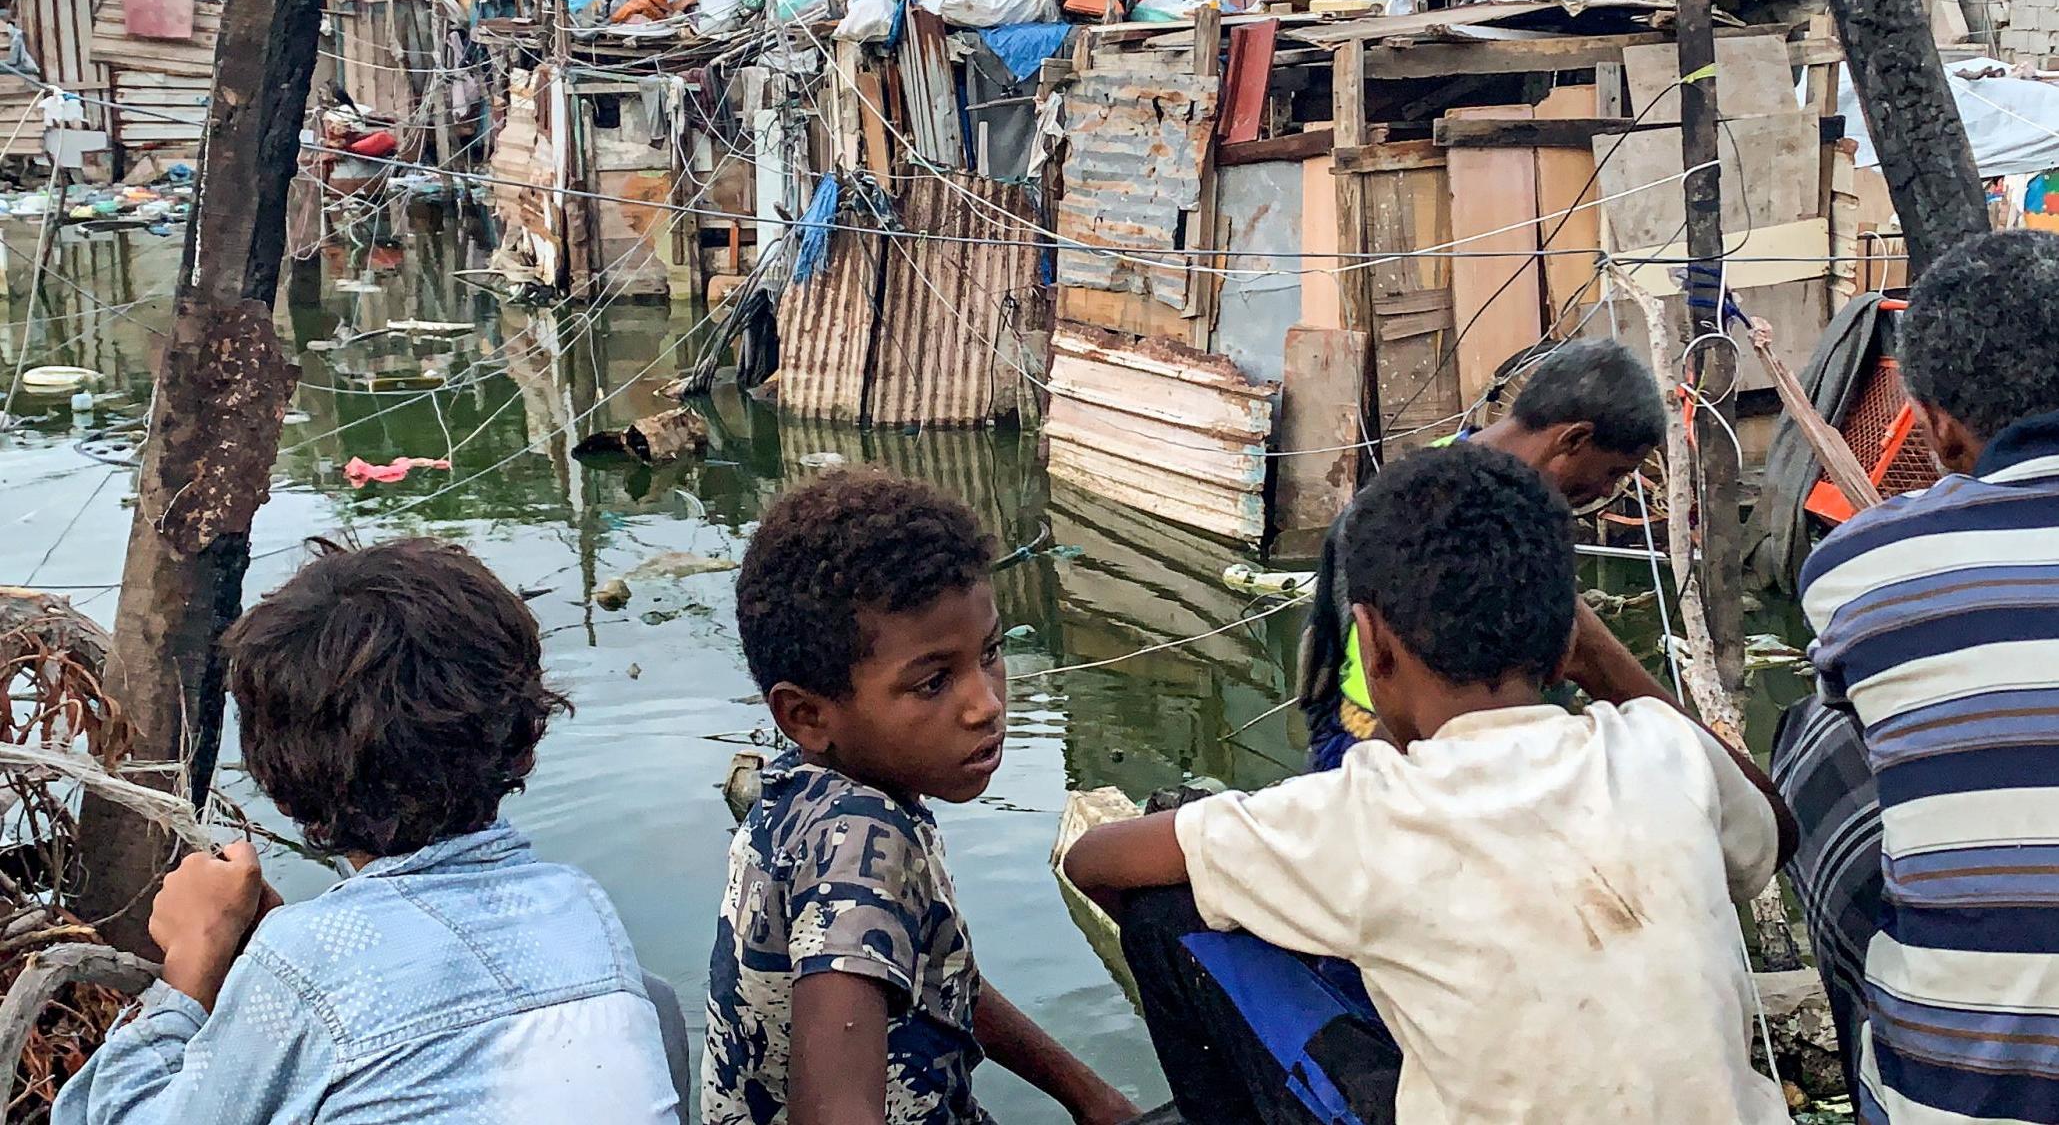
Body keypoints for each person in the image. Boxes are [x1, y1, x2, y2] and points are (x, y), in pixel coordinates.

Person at [1067, 443, 1797, 1125]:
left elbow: (1094, 860)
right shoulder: (1659, 746)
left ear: (1372, 640)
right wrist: (1604, 664)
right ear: (1566, 637)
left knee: (1166, 912)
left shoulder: (1364, 814)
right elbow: (1773, 831)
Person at [55, 538, 681, 1123]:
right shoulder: (581, 909)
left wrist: (193, 960)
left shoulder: (304, 961)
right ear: (524, 742)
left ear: (278, 780)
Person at [701, 467, 1135, 1125]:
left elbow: (935, 974)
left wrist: (1088, 1097)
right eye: (933, 683)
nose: (986, 704)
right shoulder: (857, 841)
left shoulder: (802, 788)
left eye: (989, 653)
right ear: (807, 715)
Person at [1791, 229, 2059, 1124]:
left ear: (1938, 428)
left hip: (1960, 1103)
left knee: (1817, 733)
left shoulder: (1863, 560)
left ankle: (1891, 1023)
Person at [1299, 337, 1666, 769]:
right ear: (1574, 440)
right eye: (1613, 473)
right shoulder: (1412, 510)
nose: (1607, 491)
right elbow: (1369, 686)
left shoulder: (1523, 504)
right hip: (1383, 743)